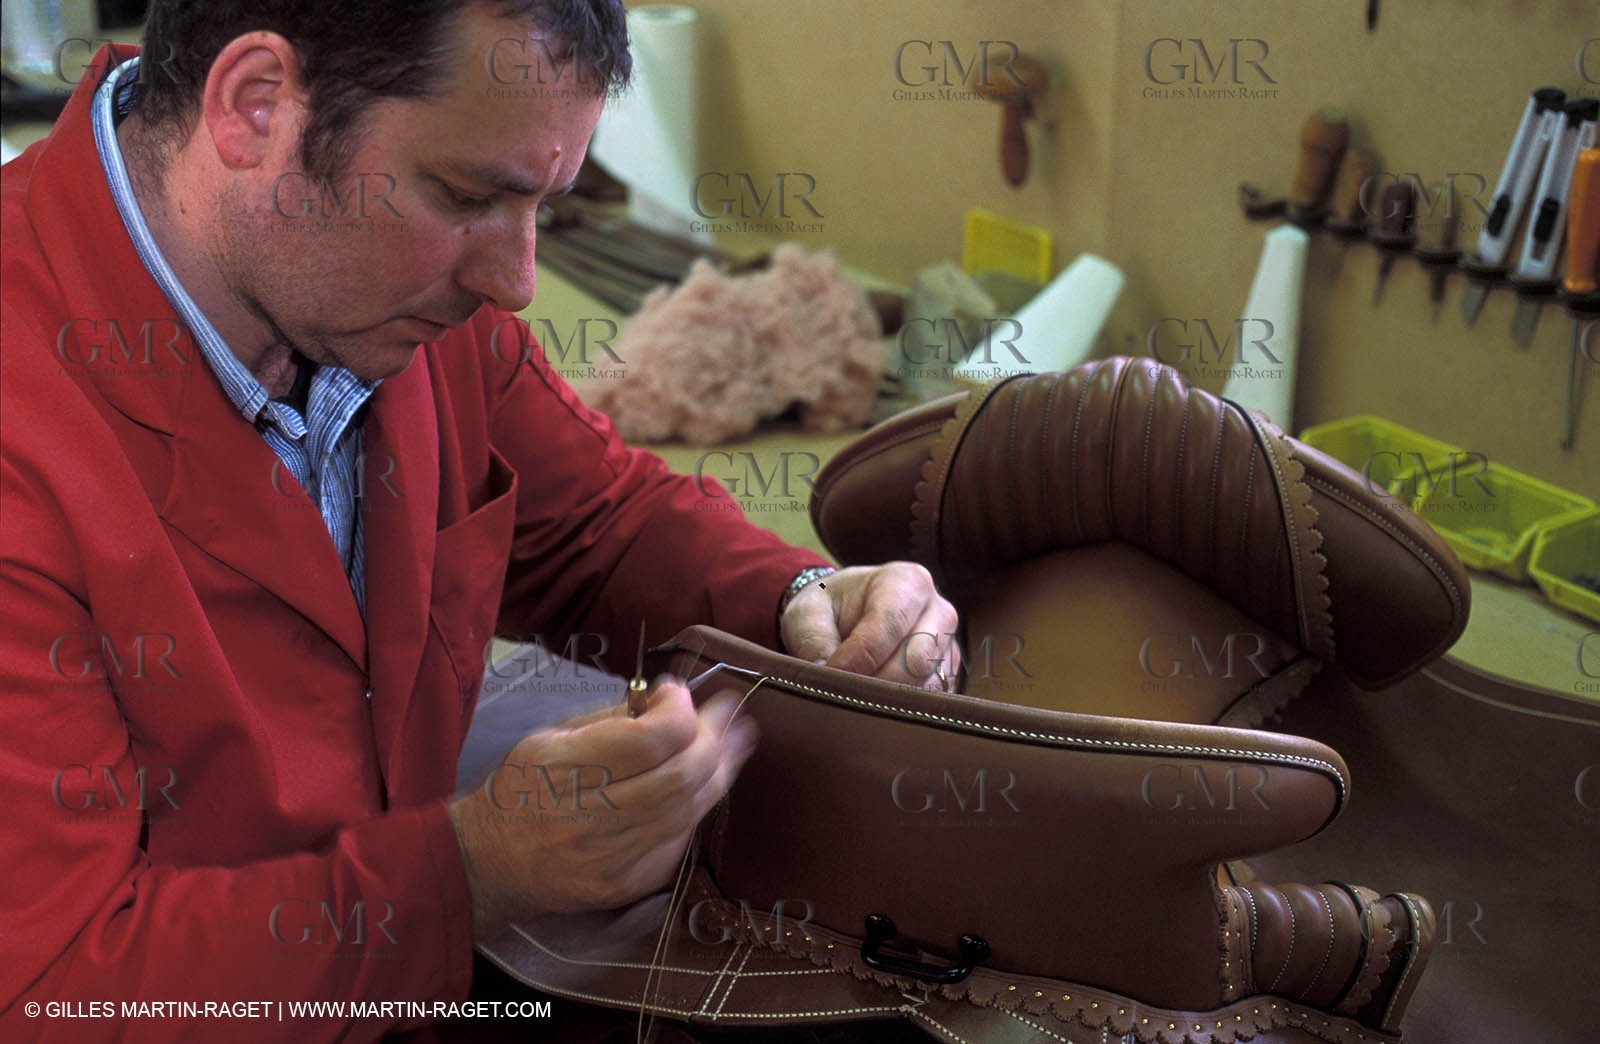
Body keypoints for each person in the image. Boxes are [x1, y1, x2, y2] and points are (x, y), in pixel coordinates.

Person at [0, 1, 957, 1039]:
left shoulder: (382, 298)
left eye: (544, 203)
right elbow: (55, 988)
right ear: (255, 106)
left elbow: (597, 521)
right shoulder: (29, 421)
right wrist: (470, 875)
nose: (515, 282)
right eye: (467, 195)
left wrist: (806, 602)